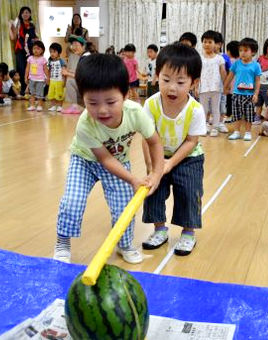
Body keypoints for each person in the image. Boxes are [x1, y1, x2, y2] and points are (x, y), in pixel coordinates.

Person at [53, 53, 164, 264]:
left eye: (111, 101)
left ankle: (125, 243)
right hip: (84, 161)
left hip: (118, 161)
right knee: (72, 202)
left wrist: (156, 174)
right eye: (92, 103)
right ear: (82, 99)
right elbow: (104, 159)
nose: (102, 110)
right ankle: (62, 242)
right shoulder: (85, 124)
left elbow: (155, 142)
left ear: (125, 95)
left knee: (124, 205)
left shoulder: (136, 113)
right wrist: (132, 179)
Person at [141, 43, 205, 256]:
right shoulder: (150, 105)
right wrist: (153, 167)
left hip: (188, 157)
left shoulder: (195, 110)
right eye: (166, 80)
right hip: (159, 155)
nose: (171, 88)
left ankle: (188, 233)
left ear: (193, 83)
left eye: (180, 82)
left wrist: (170, 163)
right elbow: (148, 138)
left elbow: (191, 141)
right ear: (157, 76)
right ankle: (160, 230)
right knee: (153, 190)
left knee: (188, 191)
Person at [223, 37, 261, 141]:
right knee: (236, 114)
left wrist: (256, 94)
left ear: (253, 52)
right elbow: (230, 76)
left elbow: (257, 81)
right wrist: (225, 87)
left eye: (245, 50)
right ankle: (236, 132)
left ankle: (248, 132)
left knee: (249, 115)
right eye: (240, 50)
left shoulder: (256, 65)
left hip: (249, 95)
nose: (242, 53)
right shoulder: (236, 64)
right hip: (236, 93)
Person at [198, 30, 226, 137]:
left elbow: (223, 73)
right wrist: (196, 87)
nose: (207, 44)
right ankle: (204, 126)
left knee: (215, 108)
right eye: (205, 42)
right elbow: (197, 73)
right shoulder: (199, 58)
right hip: (203, 87)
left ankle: (215, 127)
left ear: (216, 44)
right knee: (203, 109)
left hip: (216, 88)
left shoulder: (219, 58)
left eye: (210, 42)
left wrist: (226, 86)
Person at [9, 6, 38, 95]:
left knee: (31, 70)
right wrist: (10, 26)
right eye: (23, 13)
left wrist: (36, 42)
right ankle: (23, 90)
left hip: (31, 50)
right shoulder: (18, 24)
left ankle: (31, 89)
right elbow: (13, 37)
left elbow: (36, 37)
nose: (25, 14)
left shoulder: (32, 25)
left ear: (30, 14)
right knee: (21, 69)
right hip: (20, 50)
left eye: (27, 12)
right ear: (21, 14)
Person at [61, 35, 86, 114]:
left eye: (76, 45)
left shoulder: (85, 57)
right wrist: (69, 71)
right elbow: (81, 73)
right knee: (70, 79)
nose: (74, 47)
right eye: (73, 45)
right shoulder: (83, 56)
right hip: (88, 85)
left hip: (91, 86)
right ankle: (76, 106)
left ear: (83, 46)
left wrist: (67, 73)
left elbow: (83, 76)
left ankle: (75, 106)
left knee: (70, 81)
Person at [25, 40, 49, 111]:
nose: (36, 50)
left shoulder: (43, 59)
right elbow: (27, 68)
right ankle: (32, 105)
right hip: (32, 79)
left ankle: (39, 105)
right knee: (32, 93)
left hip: (40, 79)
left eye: (38, 48)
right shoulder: (30, 59)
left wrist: (48, 77)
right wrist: (25, 77)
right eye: (34, 48)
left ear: (42, 50)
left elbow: (45, 69)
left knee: (39, 94)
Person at [47, 42, 66, 112]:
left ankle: (60, 106)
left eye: (54, 52)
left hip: (59, 80)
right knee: (51, 93)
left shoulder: (61, 61)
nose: (52, 54)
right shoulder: (50, 61)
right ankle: (53, 106)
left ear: (59, 52)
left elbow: (64, 72)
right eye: (50, 52)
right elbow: (49, 70)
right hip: (52, 80)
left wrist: (64, 80)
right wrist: (48, 78)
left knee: (59, 93)